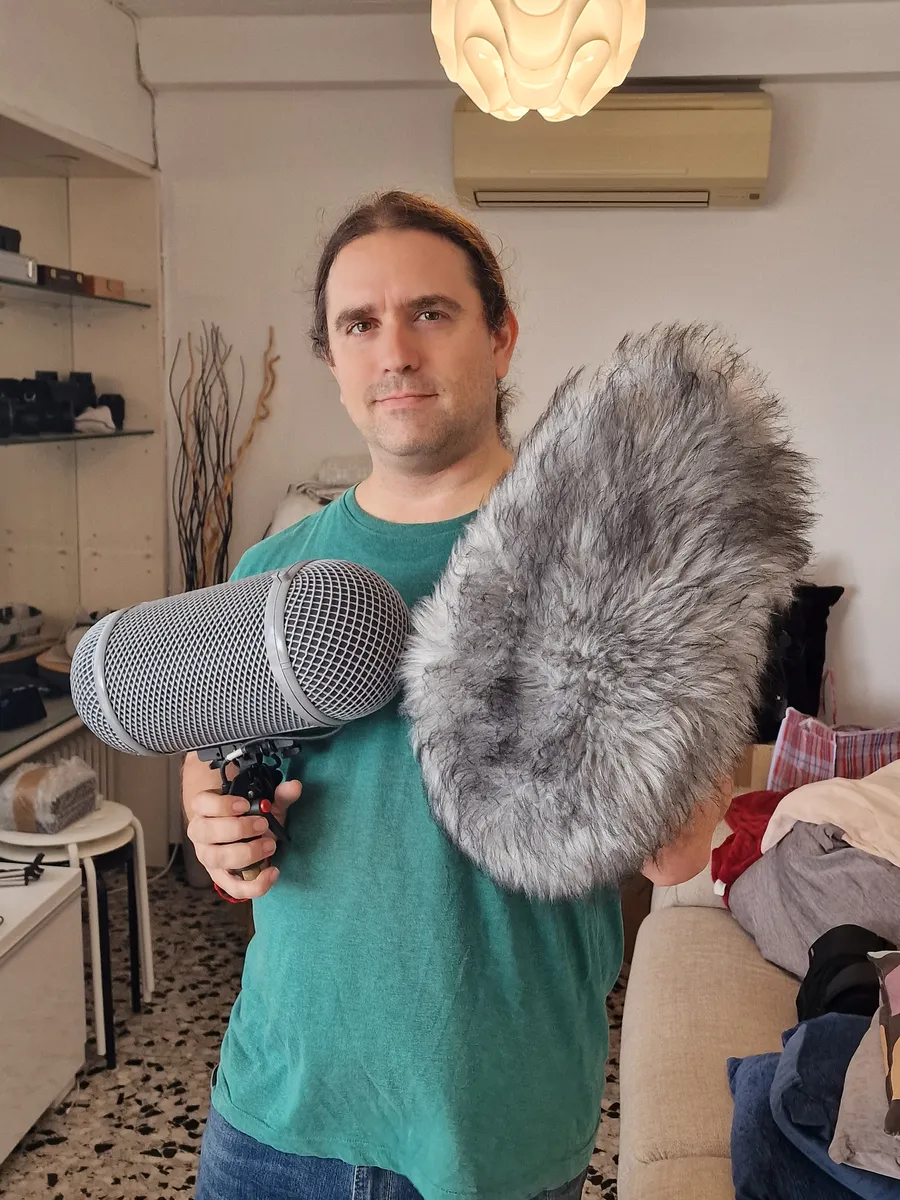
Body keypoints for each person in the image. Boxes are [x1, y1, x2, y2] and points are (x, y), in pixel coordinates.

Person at [183, 190, 731, 1200]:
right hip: (275, 1113)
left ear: (501, 336)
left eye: (430, 312)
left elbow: (682, 846)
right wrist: (213, 820)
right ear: (335, 359)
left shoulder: (609, 556)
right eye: (360, 323)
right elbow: (211, 757)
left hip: (491, 1127)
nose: (394, 349)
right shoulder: (270, 567)